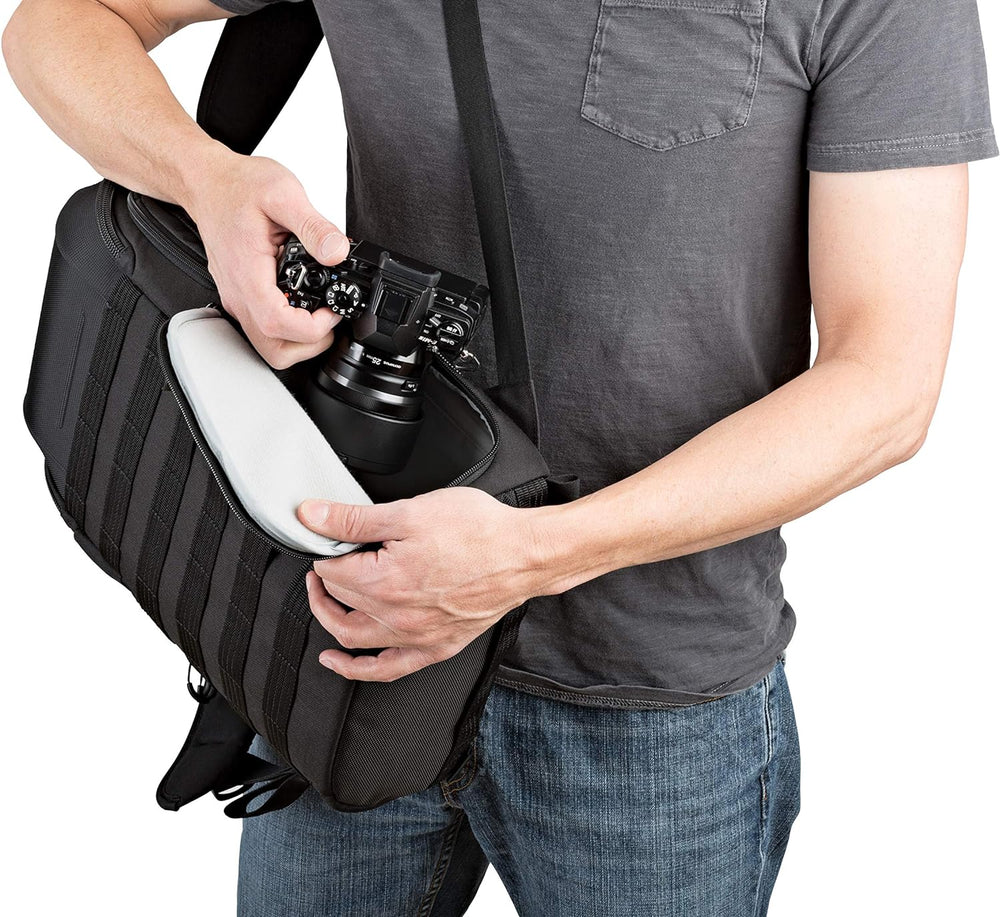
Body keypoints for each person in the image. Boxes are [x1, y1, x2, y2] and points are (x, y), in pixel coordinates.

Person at [4, 0, 996, 914]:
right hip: (350, 636)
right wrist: (207, 180)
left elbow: (886, 387)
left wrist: (534, 554)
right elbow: (66, 21)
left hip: (647, 701)